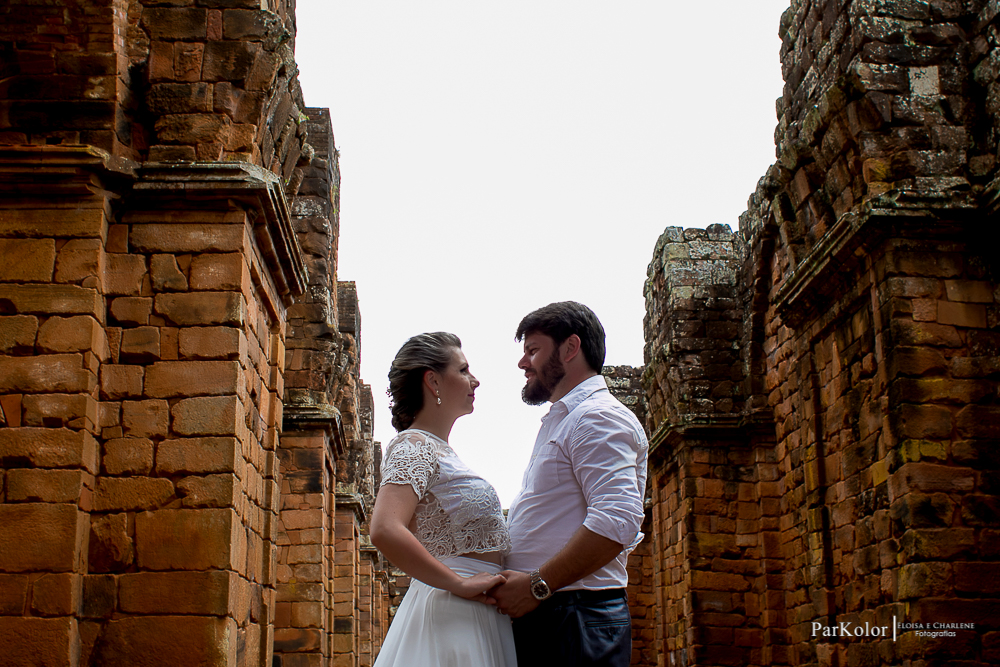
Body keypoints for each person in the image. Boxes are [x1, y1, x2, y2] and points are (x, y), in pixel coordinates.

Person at [491, 301, 648, 667]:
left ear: (570, 348)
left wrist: (536, 586)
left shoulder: (598, 417)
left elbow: (618, 520)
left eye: (533, 350)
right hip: (556, 611)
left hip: (575, 614)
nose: (523, 362)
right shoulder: (565, 419)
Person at [370, 332, 516, 667]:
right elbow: (385, 528)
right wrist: (458, 583)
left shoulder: (441, 452)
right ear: (433, 380)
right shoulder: (414, 446)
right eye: (464, 370)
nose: (474, 381)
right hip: (453, 612)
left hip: (477, 612)